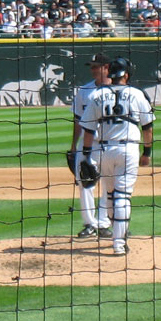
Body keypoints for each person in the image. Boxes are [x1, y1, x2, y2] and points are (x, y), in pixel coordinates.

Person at [80, 57, 155, 255]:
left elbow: (88, 130)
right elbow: (148, 127)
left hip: (103, 151)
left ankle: (117, 236)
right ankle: (119, 244)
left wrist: (87, 156)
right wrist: (147, 152)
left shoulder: (97, 95)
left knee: (112, 196)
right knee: (122, 197)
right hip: (128, 151)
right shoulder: (137, 94)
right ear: (127, 75)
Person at [71, 53, 112, 239]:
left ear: (107, 67)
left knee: (108, 184)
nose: (93, 70)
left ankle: (104, 224)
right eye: (92, 66)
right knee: (85, 183)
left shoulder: (119, 90)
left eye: (97, 66)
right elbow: (78, 121)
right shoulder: (84, 91)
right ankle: (89, 224)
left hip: (111, 144)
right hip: (88, 144)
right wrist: (73, 146)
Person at [0, 50, 73, 106]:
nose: (62, 78)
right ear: (43, 70)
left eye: (68, 73)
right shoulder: (13, 90)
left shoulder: (75, 95)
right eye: (57, 71)